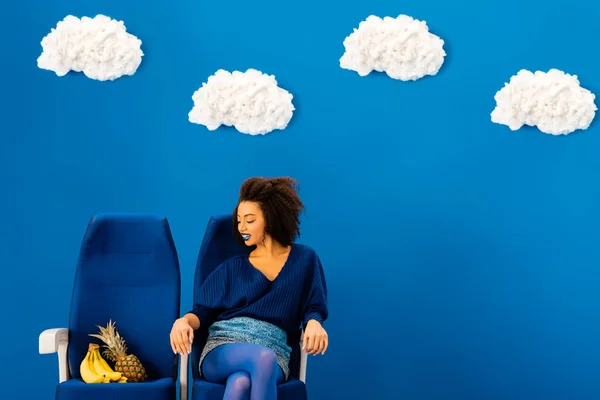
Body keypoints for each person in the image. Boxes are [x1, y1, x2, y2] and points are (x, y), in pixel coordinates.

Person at [170, 176, 329, 400]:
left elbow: (314, 305)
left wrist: (314, 322)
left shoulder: (305, 259)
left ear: (271, 220)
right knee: (262, 359)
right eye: (238, 221)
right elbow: (202, 312)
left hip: (275, 351)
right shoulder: (232, 267)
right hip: (224, 347)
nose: (241, 227)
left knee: (241, 383)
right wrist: (183, 321)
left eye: (249, 220)